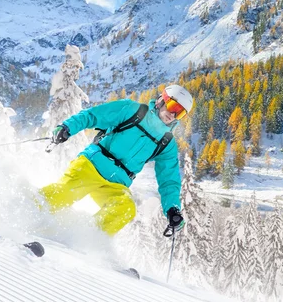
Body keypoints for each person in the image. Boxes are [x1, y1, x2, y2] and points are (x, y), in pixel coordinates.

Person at [39, 84, 193, 237]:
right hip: (92, 165)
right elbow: (94, 115)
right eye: (173, 106)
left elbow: (169, 180)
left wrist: (172, 208)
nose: (173, 115)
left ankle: (85, 237)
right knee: (62, 194)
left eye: (179, 113)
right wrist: (67, 128)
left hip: (117, 183)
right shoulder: (132, 110)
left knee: (125, 209)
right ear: (162, 100)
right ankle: (29, 209)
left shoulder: (166, 142)